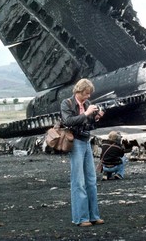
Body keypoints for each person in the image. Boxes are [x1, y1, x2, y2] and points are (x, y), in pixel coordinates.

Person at [61, 78, 105, 227]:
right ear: (78, 91)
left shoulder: (86, 104)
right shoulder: (66, 103)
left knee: (91, 180)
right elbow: (68, 121)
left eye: (89, 94)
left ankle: (93, 216)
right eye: (86, 94)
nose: (88, 97)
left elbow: (88, 124)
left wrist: (96, 118)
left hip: (86, 141)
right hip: (76, 144)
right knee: (78, 181)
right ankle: (80, 218)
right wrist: (86, 113)